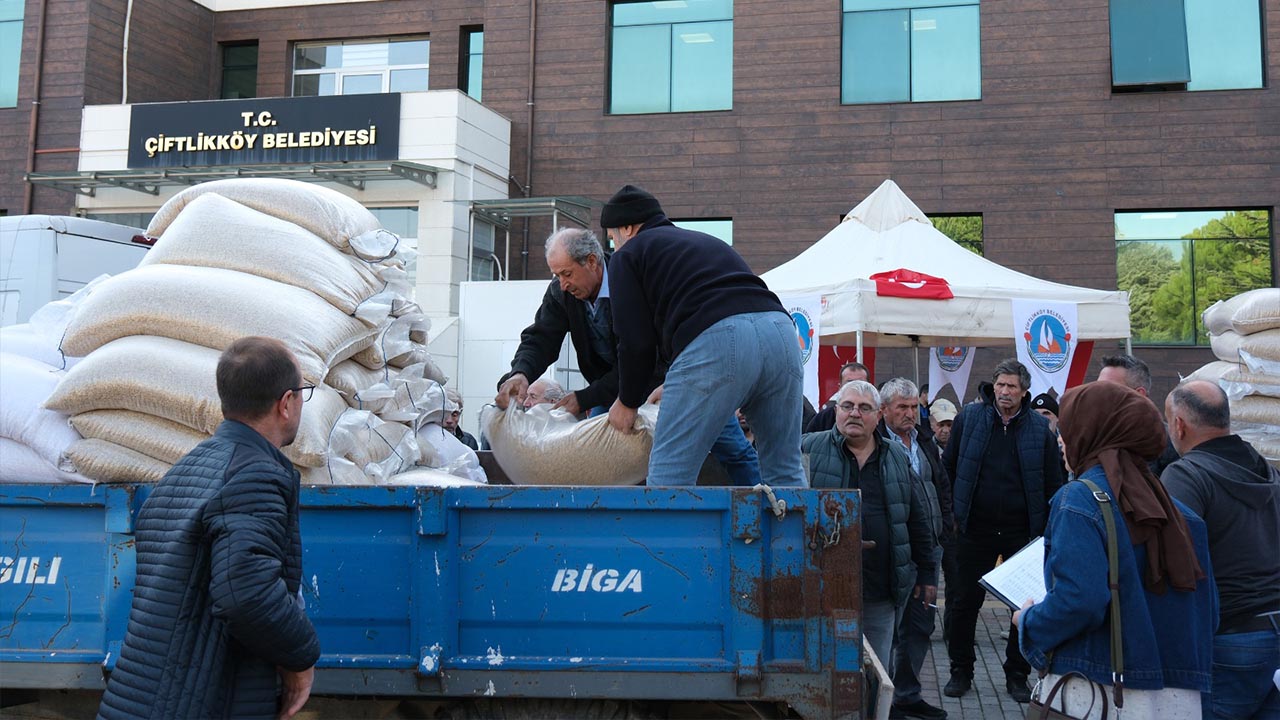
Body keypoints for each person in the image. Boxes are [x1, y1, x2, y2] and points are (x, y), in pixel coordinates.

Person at [97, 337, 320, 720]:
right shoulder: (254, 474)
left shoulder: (182, 472)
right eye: (302, 393)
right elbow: (246, 594)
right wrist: (300, 659)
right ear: (285, 403)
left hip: (148, 699)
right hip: (192, 703)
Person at [497, 226, 761, 486]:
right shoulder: (560, 292)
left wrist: (584, 398)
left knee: (733, 450)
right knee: (596, 463)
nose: (563, 285)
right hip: (610, 393)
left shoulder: (633, 281)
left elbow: (642, 356)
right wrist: (521, 372)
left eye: (567, 274)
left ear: (592, 261)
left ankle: (764, 512)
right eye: (557, 276)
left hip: (669, 383)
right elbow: (541, 337)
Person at [1014, 381, 1216, 717]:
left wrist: (1028, 622)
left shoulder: (1078, 500)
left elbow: (1079, 602)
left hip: (1099, 694)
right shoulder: (1183, 515)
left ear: (1093, 433)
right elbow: (1210, 613)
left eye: (1068, 429)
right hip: (1178, 699)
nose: (1062, 440)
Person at [602, 185, 804, 487]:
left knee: (670, 475)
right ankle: (789, 535)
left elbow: (635, 341)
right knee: (784, 471)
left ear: (627, 228)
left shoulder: (628, 254)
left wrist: (628, 401)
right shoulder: (705, 241)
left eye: (612, 236)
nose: (614, 244)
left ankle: (671, 537)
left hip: (719, 339)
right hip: (781, 332)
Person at [942, 359, 1064, 703]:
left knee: (1022, 607)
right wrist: (952, 514)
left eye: (1011, 386)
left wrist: (1044, 531)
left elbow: (1053, 482)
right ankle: (960, 671)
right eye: (1000, 385)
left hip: (1021, 534)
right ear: (992, 387)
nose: (1005, 392)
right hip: (973, 529)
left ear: (1024, 391)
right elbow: (947, 468)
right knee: (964, 603)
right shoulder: (970, 418)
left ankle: (1017, 675)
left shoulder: (1040, 430)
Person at [1161, 380, 1280, 719]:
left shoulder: (1186, 476)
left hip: (1230, 637)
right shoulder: (1265, 469)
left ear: (1178, 425)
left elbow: (1173, 559)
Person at [802, 380, 937, 669]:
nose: (854, 413)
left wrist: (927, 572)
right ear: (836, 411)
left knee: (876, 670)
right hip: (823, 588)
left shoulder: (897, 457)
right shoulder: (808, 449)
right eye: (847, 406)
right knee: (826, 668)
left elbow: (917, 517)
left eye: (864, 408)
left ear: (878, 416)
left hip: (879, 589)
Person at [877, 378, 951, 720]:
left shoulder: (924, 441)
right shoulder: (875, 443)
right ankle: (882, 699)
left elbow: (941, 486)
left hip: (928, 547)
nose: (910, 414)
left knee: (921, 624)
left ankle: (907, 694)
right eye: (902, 408)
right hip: (893, 551)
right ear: (884, 411)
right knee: (889, 627)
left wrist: (946, 530)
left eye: (913, 407)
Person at [1098, 353, 1180, 475]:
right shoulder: (1095, 436)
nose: (1097, 394)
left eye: (1108, 389)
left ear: (1139, 394)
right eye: (1097, 387)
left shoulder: (1167, 440)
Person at [806, 362, 870, 433]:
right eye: (849, 384)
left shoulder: (876, 414)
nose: (855, 388)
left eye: (860, 384)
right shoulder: (824, 418)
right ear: (840, 387)